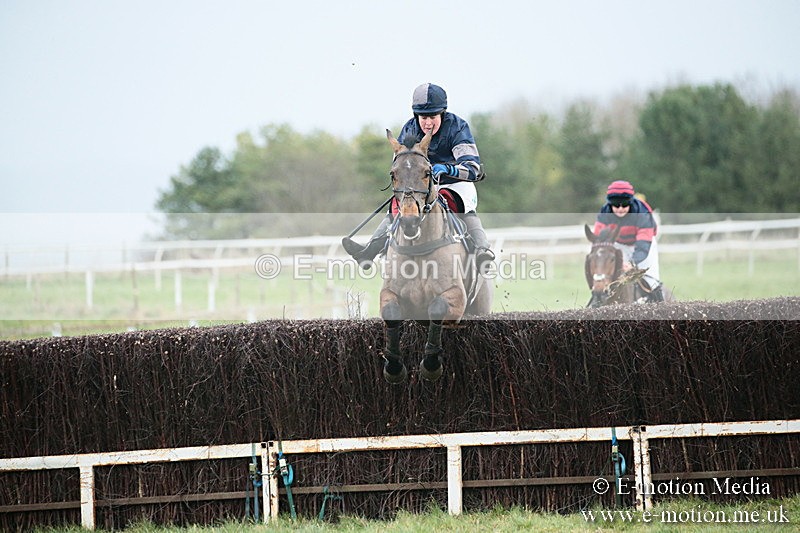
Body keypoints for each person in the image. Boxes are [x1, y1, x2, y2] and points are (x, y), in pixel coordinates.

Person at [342, 83, 495, 270]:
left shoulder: (457, 127)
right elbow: (399, 165)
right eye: (423, 117)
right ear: (416, 116)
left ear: (442, 113)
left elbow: (473, 169)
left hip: (455, 184)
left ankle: (481, 249)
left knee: (465, 206)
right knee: (396, 206)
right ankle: (369, 251)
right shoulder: (409, 128)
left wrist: (447, 169)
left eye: (433, 117)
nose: (428, 123)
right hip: (420, 186)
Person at [593, 180, 664, 302]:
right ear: (610, 204)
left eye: (625, 204)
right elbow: (599, 239)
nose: (620, 208)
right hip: (619, 244)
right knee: (605, 278)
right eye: (616, 205)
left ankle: (661, 306)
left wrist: (632, 263)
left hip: (644, 245)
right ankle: (596, 302)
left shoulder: (643, 213)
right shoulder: (605, 213)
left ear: (630, 202)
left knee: (652, 281)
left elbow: (642, 245)